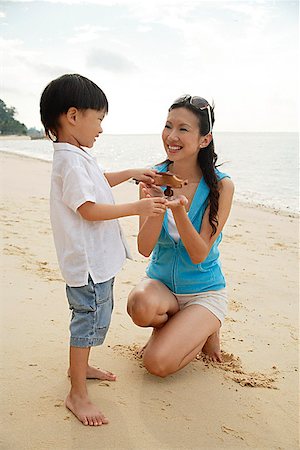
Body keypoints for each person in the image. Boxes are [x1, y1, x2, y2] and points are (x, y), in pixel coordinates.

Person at [40, 74, 166, 426]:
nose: (100, 128)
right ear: (73, 116)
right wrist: (136, 209)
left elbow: (98, 180)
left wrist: (131, 173)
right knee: (87, 320)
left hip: (96, 261)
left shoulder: (78, 155)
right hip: (88, 264)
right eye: (99, 119)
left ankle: (81, 367)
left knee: (96, 318)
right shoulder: (69, 160)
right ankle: (76, 392)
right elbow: (88, 209)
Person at [127, 94, 234, 378]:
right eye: (168, 126)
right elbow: (144, 248)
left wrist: (179, 212)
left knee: (157, 364)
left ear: (204, 140)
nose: (172, 136)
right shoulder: (153, 178)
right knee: (139, 306)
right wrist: (158, 207)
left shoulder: (221, 187)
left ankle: (207, 327)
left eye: (183, 129)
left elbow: (200, 254)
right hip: (161, 286)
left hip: (203, 291)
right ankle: (176, 326)